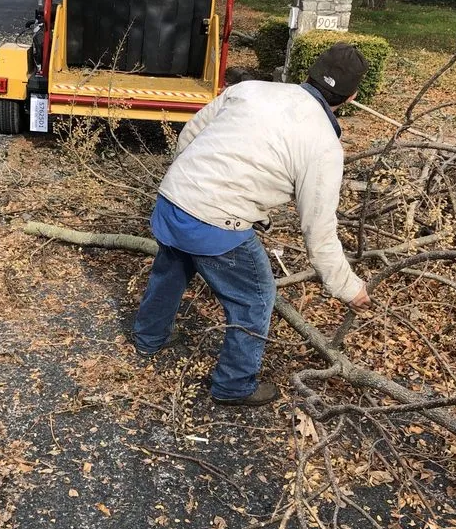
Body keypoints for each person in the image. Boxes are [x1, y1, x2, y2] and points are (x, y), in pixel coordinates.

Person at [132, 42, 372, 407]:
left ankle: (148, 338)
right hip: (213, 222)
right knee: (256, 297)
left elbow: (190, 136)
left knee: (172, 268)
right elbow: (318, 229)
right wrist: (348, 287)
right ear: (352, 96)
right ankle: (234, 385)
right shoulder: (323, 144)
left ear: (307, 73)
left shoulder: (249, 89)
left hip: (172, 200)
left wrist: (189, 188)